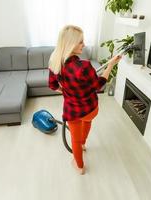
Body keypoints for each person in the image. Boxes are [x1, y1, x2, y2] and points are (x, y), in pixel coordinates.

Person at [48, 25, 122, 175]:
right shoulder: (85, 66)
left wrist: (67, 92)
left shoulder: (55, 63)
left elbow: (52, 85)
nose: (84, 44)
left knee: (74, 139)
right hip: (90, 109)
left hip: (72, 111)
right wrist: (111, 65)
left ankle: (80, 166)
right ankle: (83, 144)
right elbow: (98, 85)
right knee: (87, 122)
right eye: (80, 42)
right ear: (70, 43)